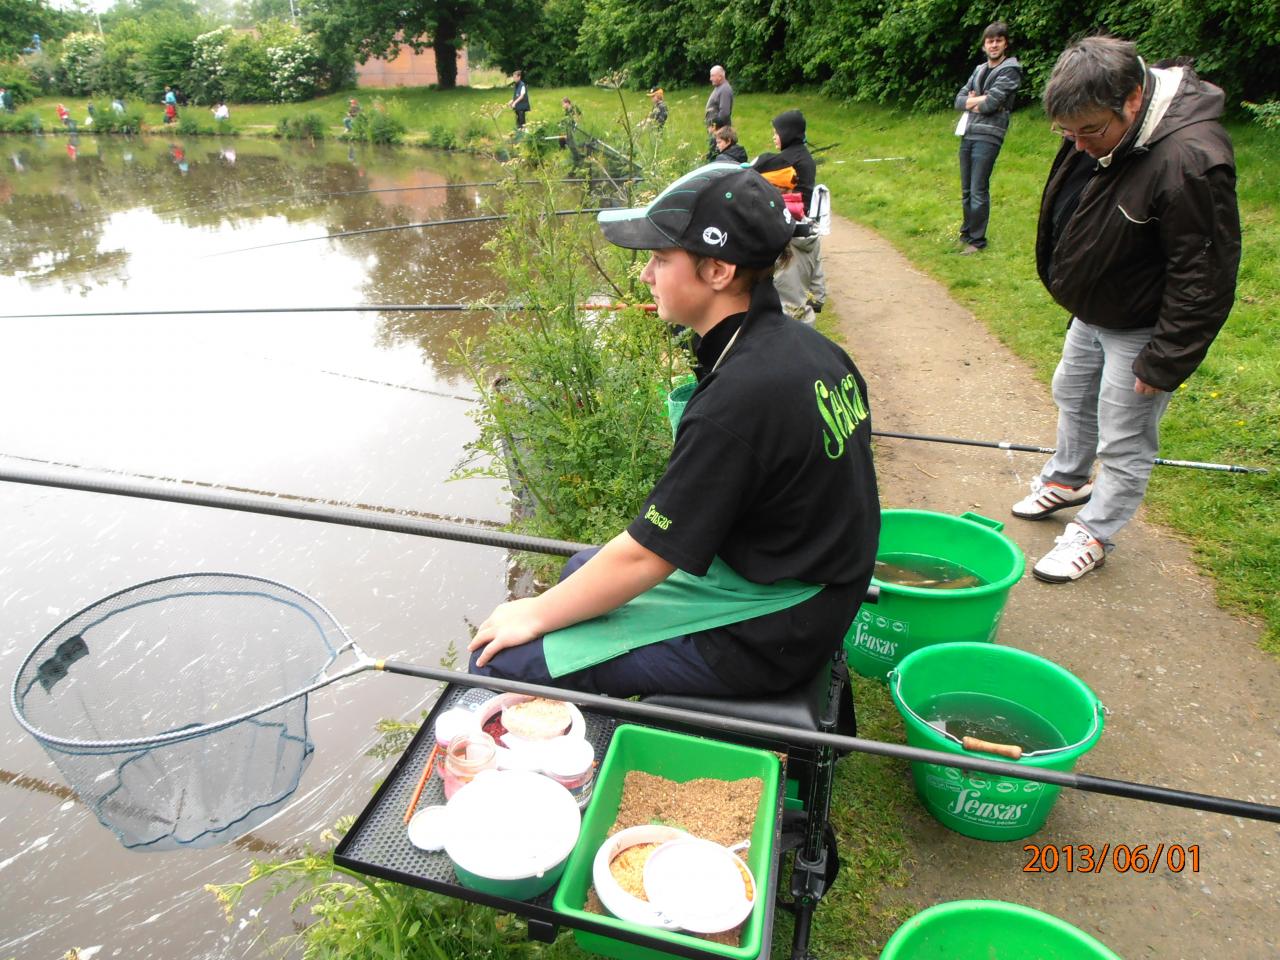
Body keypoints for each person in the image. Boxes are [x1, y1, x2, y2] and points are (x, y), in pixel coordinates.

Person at [468, 163, 880, 698]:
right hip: (814, 584)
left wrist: (534, 615)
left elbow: (647, 554)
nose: (645, 276)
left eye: (661, 259)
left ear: (717, 271)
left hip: (773, 633)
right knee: (577, 569)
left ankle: (595, 753)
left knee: (495, 659)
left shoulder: (740, 398)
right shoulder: (816, 351)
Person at [1012, 36, 1241, 583]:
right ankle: (1067, 479)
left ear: (1133, 99)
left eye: (1088, 132)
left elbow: (1204, 274)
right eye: (1067, 133)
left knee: (1125, 436)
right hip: (1096, 310)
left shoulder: (1192, 160)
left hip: (1141, 326)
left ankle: (1095, 531)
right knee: (1070, 391)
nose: (1078, 144)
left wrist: (1165, 359)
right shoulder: (1100, 128)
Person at [954, 21, 1023, 254]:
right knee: (966, 189)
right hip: (969, 132)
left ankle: (977, 241)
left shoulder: (1011, 70)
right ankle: (966, 233)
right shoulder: (979, 69)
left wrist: (975, 101)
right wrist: (978, 101)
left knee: (978, 188)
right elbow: (959, 100)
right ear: (984, 45)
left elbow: (993, 104)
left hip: (990, 135)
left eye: (998, 40)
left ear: (1005, 44)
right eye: (989, 41)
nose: (993, 45)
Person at [753, 109, 826, 322]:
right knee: (809, 268)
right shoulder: (803, 155)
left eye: (776, 132)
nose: (774, 137)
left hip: (787, 224)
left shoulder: (786, 160)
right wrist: (818, 297)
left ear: (787, 132)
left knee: (787, 287)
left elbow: (756, 169)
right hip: (804, 222)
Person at [704, 65, 733, 160]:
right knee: (713, 154)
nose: (710, 78)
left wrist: (714, 127)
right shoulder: (719, 87)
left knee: (716, 157)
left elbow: (724, 113)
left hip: (720, 131)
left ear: (720, 76)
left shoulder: (725, 89)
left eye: (712, 76)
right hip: (716, 131)